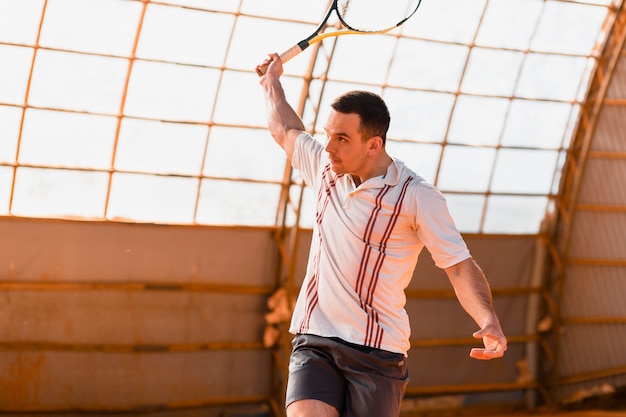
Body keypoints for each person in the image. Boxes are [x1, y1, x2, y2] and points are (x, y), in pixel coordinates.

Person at [256, 53, 507, 417]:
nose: (328, 147)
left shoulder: (417, 196)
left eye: (342, 138)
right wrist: (272, 83)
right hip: (316, 339)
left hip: (378, 352)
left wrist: (488, 319)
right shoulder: (327, 169)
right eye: (328, 134)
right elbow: (286, 129)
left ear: (374, 145)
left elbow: (457, 265)